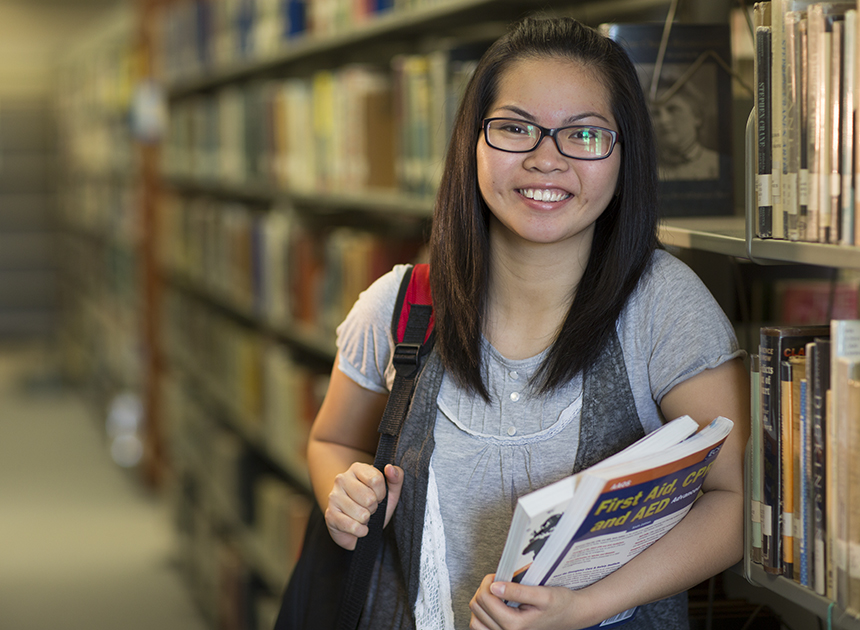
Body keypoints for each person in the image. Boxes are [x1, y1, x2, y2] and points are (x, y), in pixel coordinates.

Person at [306, 15, 749, 630]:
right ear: (473, 142)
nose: (547, 160)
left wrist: (587, 606)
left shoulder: (665, 307)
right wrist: (344, 493)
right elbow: (331, 441)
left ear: (625, 153)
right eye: (515, 129)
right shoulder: (400, 305)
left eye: (585, 135)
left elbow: (735, 501)